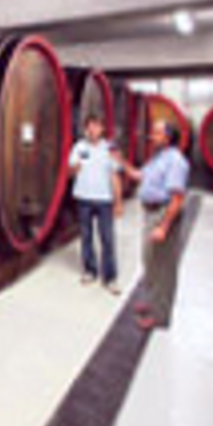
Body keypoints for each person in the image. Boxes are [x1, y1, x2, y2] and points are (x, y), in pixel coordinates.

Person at [116, 120, 190, 330]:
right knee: (151, 261)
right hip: (151, 214)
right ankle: (152, 302)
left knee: (163, 267)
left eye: (157, 133)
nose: (151, 136)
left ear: (168, 137)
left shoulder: (176, 162)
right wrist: (120, 161)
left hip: (162, 214)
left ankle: (160, 316)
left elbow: (177, 198)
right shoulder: (158, 158)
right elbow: (139, 175)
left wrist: (164, 227)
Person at [68, 114, 124, 295]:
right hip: (83, 198)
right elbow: (70, 172)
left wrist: (118, 202)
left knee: (107, 239)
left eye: (96, 126)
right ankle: (90, 271)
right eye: (90, 127)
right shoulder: (79, 147)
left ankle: (110, 277)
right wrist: (74, 168)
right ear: (85, 129)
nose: (93, 130)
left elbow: (115, 176)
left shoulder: (110, 149)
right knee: (86, 237)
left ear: (102, 129)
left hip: (104, 200)